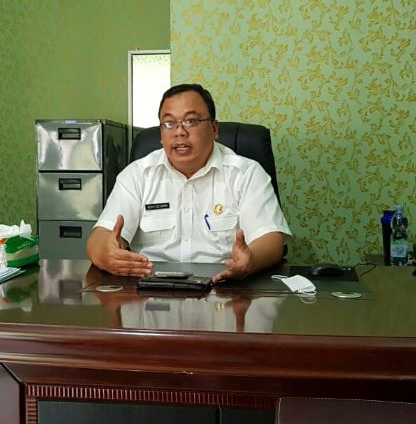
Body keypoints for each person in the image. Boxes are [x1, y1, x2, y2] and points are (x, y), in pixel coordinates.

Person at [86, 83, 291, 282]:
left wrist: (250, 260)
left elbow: (271, 239)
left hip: (224, 287)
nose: (179, 132)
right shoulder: (137, 175)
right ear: (161, 134)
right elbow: (100, 237)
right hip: (152, 291)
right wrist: (106, 254)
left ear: (214, 129)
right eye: (169, 123)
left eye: (191, 121)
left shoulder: (246, 173)